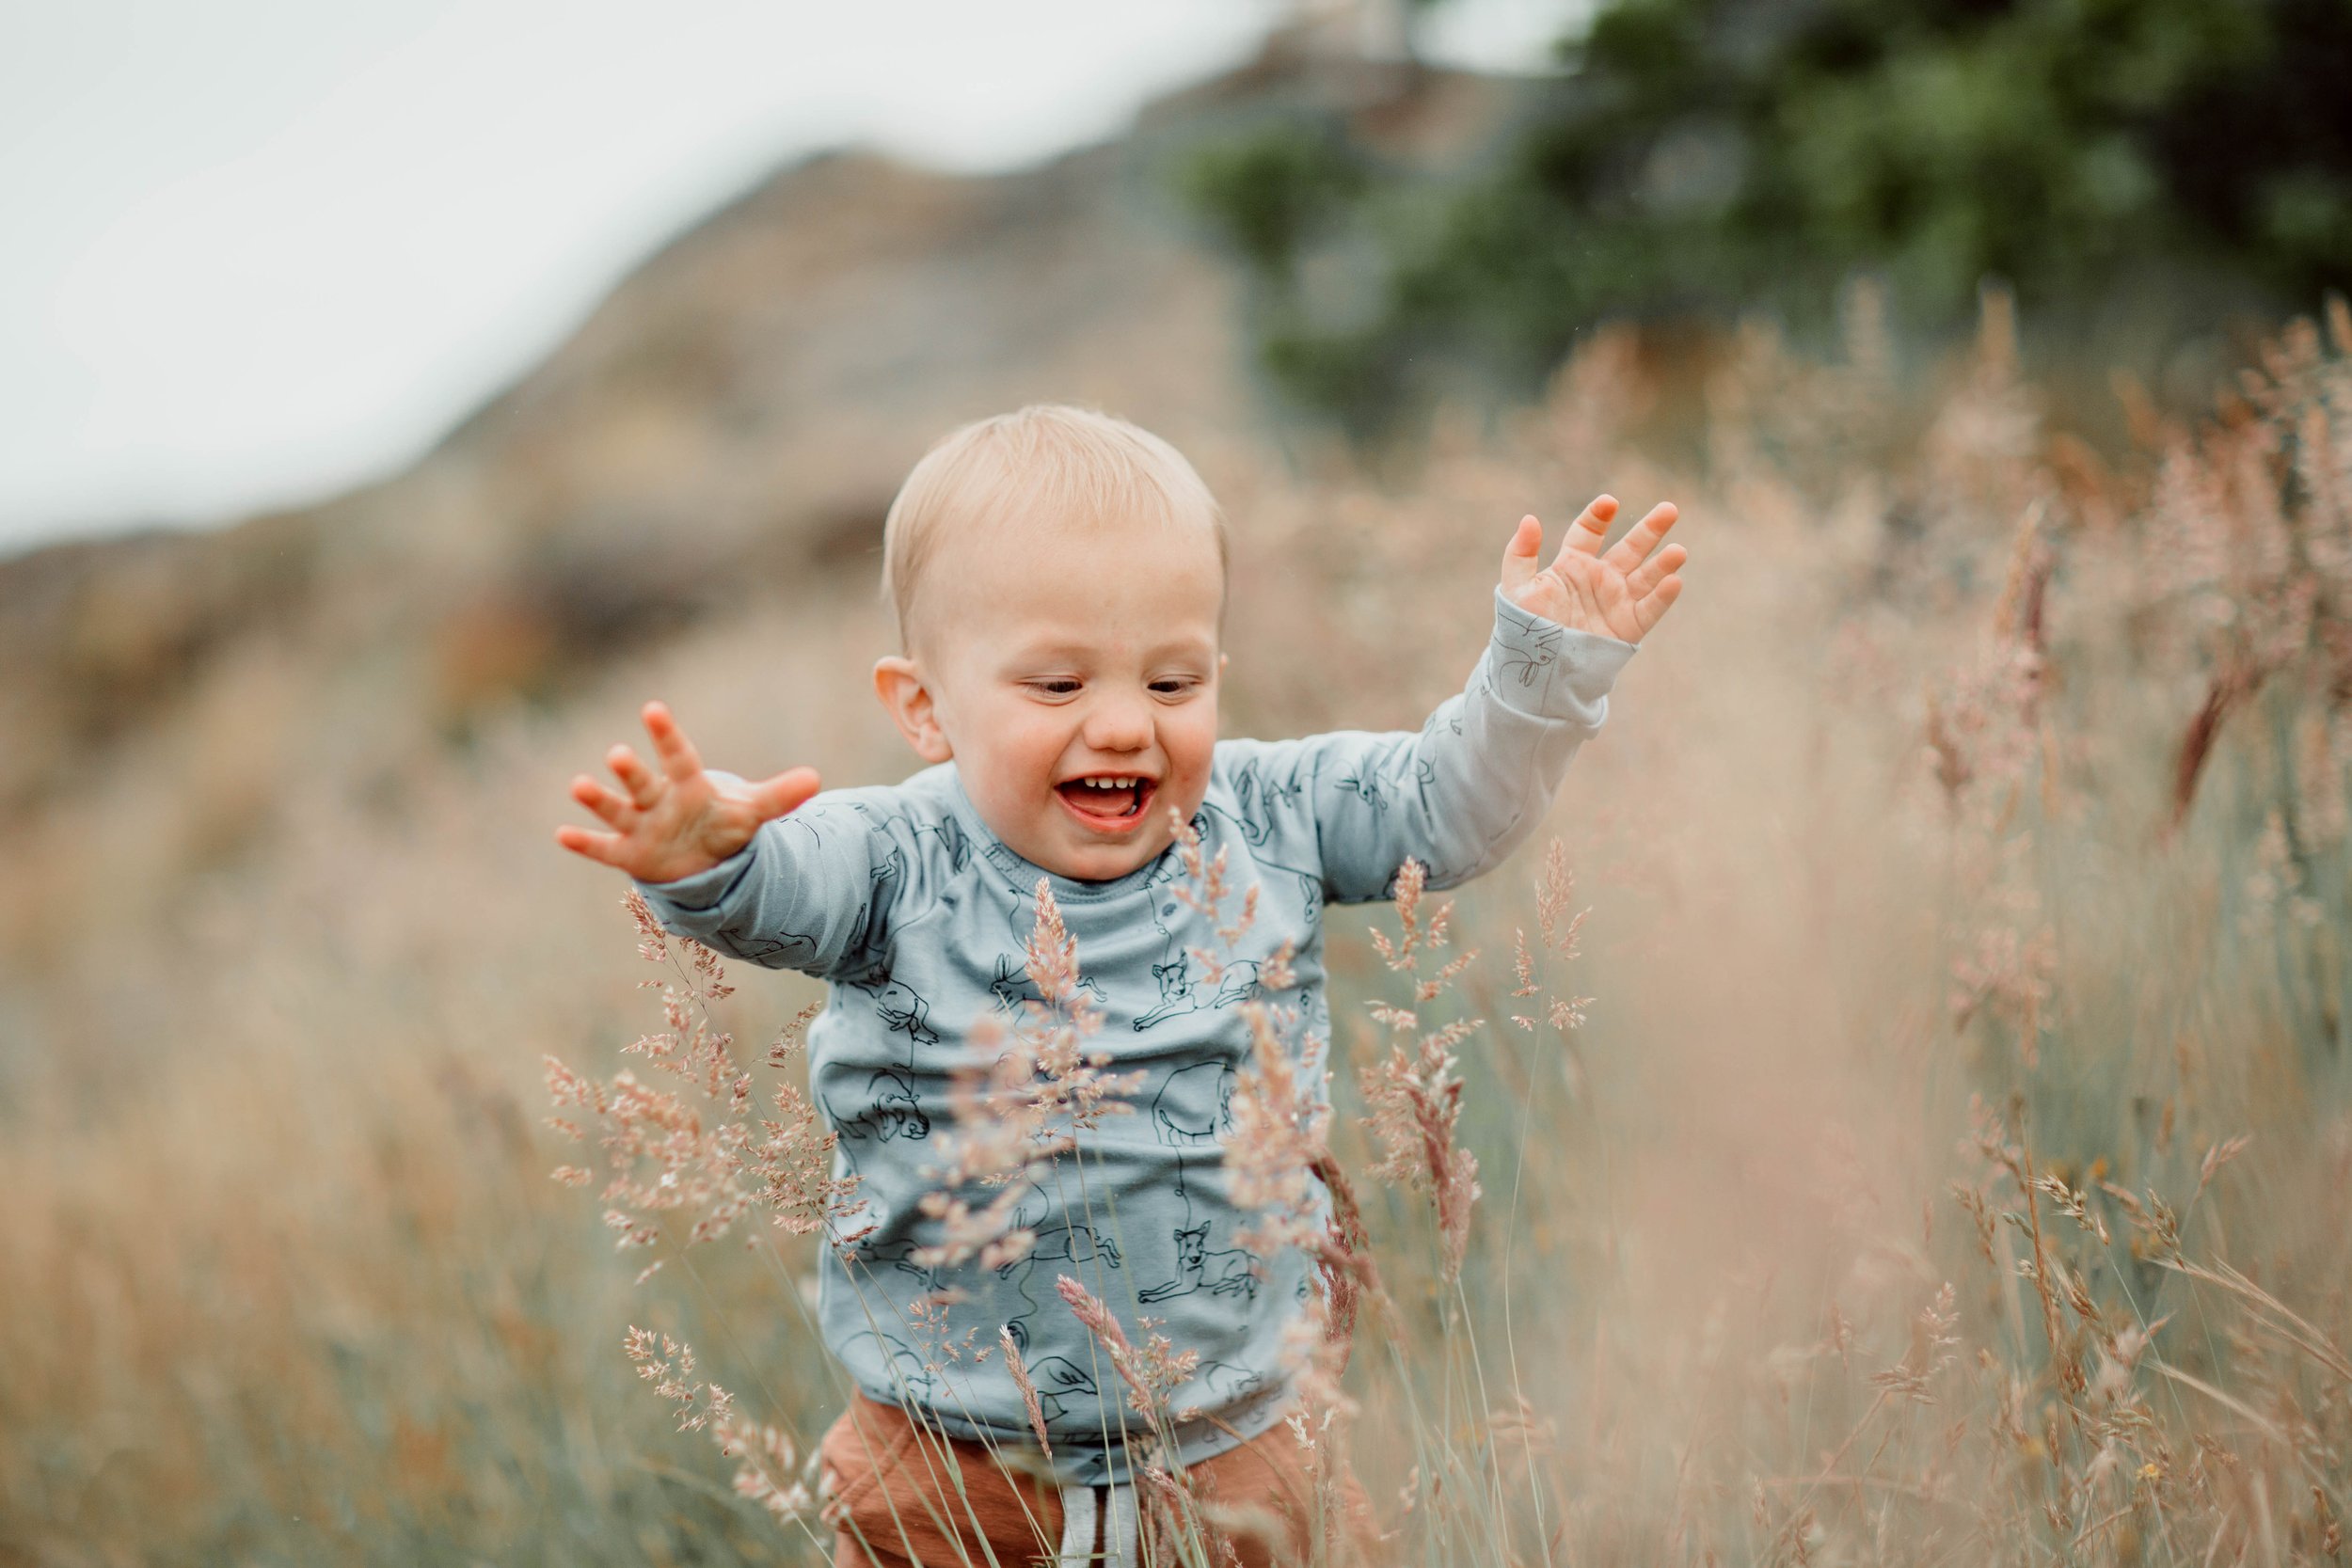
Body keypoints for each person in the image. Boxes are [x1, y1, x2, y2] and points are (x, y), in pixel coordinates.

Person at [555, 405, 1687, 1565]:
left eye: (1172, 679)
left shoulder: (1270, 815)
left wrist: (1536, 678)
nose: (1123, 723)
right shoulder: (898, 857)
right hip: (952, 1469)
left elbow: (1442, 809)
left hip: (1240, 1443)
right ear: (922, 705)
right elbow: (780, 886)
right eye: (1054, 684)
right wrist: (706, 856)